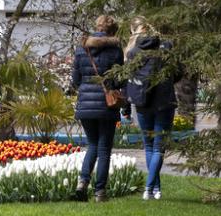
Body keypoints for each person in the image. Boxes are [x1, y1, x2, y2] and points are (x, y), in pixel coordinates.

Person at [126, 16, 182, 201]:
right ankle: (151, 188)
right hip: (164, 101)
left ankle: (154, 188)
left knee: (149, 146)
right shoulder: (166, 48)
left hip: (143, 102)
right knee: (159, 148)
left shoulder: (133, 51)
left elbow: (130, 78)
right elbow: (178, 72)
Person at [71, 15, 125, 202]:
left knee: (92, 144)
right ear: (112, 31)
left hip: (85, 103)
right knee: (103, 149)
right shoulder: (116, 51)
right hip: (106, 104)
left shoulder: (82, 48)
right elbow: (119, 79)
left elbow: (75, 80)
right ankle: (99, 192)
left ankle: (82, 182)